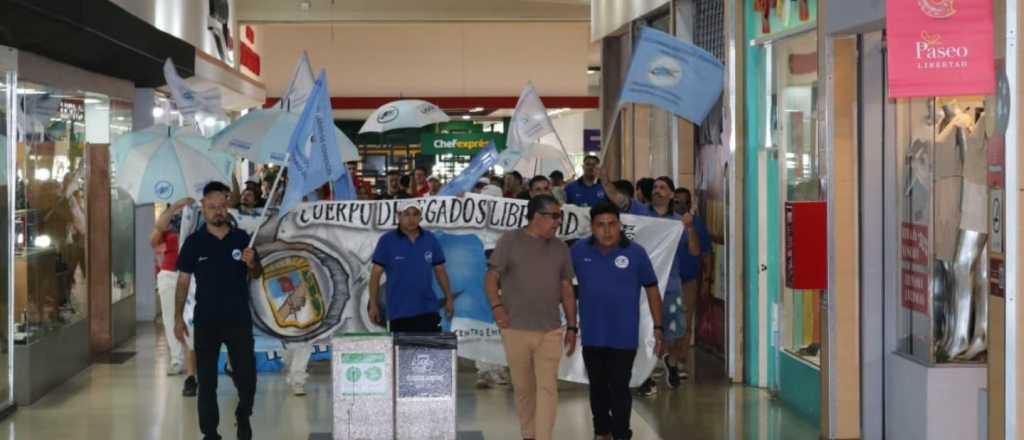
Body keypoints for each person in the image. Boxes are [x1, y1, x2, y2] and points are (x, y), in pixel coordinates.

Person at [174, 181, 263, 440]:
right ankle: (210, 432)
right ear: (203, 208)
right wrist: (177, 318)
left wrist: (252, 263)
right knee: (207, 382)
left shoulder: (242, 239)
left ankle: (243, 415)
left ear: (228, 207)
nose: (218, 211)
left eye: (222, 206)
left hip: (238, 319)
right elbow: (182, 282)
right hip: (206, 321)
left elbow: (257, 273)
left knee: (247, 378)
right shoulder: (194, 243)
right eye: (212, 207)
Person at [487, 194, 577, 440]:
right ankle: (528, 433)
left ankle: (543, 437)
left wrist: (572, 326)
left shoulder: (560, 248)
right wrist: (497, 307)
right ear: (537, 216)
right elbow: (492, 278)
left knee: (548, 388)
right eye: (554, 216)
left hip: (550, 330)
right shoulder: (510, 241)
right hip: (515, 328)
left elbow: (567, 288)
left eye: (560, 216)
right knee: (524, 388)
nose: (558, 222)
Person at [573, 202, 664, 440]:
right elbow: (563, 284)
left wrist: (658, 326)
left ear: (620, 225)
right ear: (592, 227)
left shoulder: (636, 253)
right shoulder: (579, 251)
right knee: (598, 387)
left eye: (612, 224)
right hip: (592, 334)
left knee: (620, 387)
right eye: (600, 225)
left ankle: (622, 433)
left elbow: (653, 289)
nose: (607, 230)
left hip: (623, 335)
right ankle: (602, 431)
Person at [636, 177, 701, 397]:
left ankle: (670, 362)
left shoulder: (678, 223)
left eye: (663, 188)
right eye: (655, 188)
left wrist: (690, 228)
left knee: (676, 331)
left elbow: (694, 251)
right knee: (645, 332)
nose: (658, 191)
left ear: (671, 194)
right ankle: (644, 377)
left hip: (671, 285)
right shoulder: (641, 215)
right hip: (643, 287)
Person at [368, 200, 455, 331]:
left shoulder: (430, 239)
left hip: (428, 309)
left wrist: (449, 298)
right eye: (406, 214)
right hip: (399, 312)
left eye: (415, 214)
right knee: (402, 351)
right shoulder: (387, 241)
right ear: (398, 216)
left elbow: (440, 270)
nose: (411, 219)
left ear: (420, 217)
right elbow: (375, 275)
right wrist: (373, 304)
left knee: (431, 351)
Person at [150, 196, 198, 397]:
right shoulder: (168, 223)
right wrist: (176, 207)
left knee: (192, 318)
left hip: (193, 274)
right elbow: (154, 238)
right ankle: (177, 359)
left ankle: (193, 359)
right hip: (170, 274)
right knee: (170, 317)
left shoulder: (198, 216)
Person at [673, 187, 712, 352]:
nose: (682, 205)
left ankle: (680, 361)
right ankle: (663, 360)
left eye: (686, 202)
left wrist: (707, 280)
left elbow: (706, 253)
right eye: (677, 201)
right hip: (666, 281)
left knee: (685, 323)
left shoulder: (696, 223)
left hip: (689, 281)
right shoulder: (665, 221)